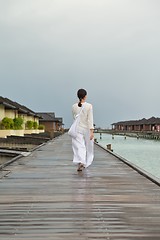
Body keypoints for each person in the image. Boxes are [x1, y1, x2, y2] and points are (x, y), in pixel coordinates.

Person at [71, 88, 94, 171]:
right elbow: (90, 119)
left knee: (79, 146)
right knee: (88, 146)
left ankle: (81, 161)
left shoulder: (74, 106)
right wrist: (91, 131)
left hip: (77, 129)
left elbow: (74, 118)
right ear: (85, 96)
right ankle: (84, 162)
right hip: (86, 129)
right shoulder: (89, 106)